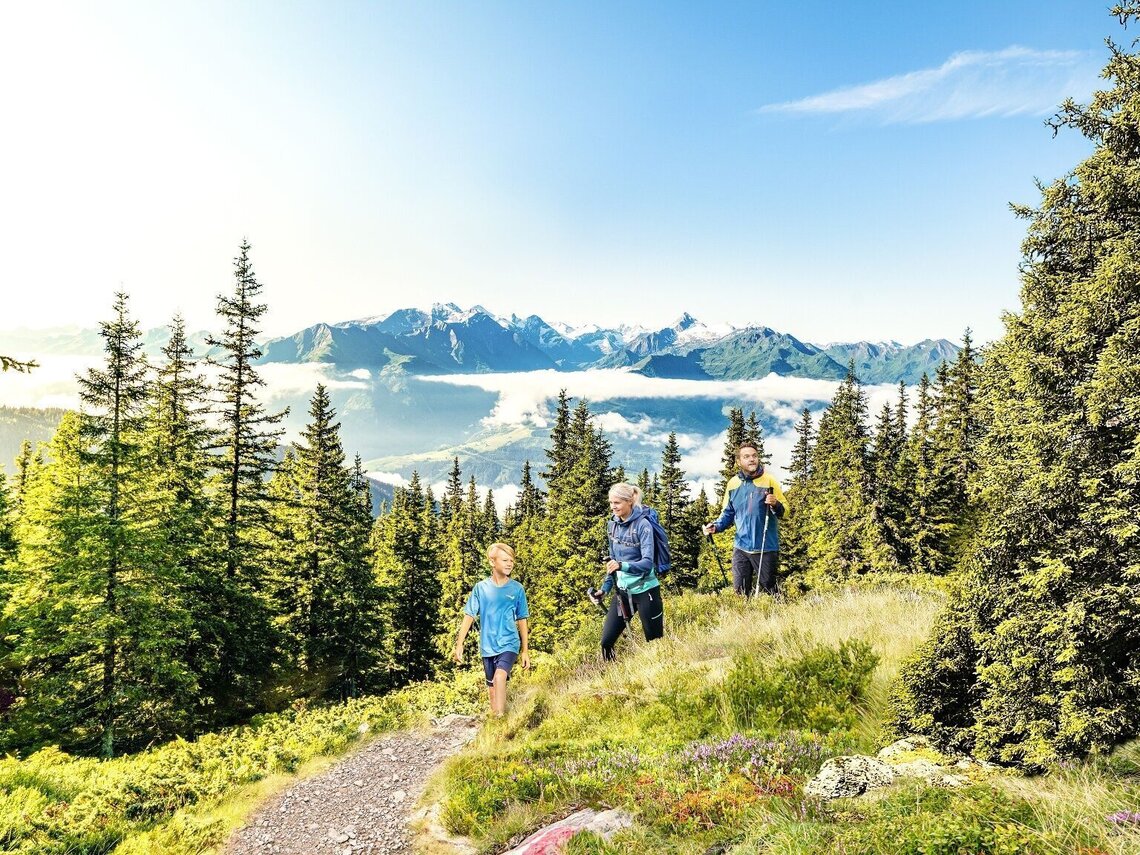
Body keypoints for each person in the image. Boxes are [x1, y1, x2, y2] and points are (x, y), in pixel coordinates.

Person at [453, 542, 530, 716]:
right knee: (492, 688)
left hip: (509, 643)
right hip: (487, 647)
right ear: (492, 562)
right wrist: (459, 644)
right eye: (505, 560)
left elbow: (522, 620)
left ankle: (502, 718)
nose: (509, 563)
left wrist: (525, 651)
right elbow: (469, 616)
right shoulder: (481, 588)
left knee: (499, 677)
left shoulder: (517, 589)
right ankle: (496, 723)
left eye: (511, 560)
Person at [704, 442, 788, 596]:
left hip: (765, 547)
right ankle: (744, 619)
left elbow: (786, 511)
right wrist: (716, 526)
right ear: (738, 461)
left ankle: (779, 618)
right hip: (741, 547)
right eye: (746, 456)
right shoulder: (733, 484)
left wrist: (776, 504)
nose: (752, 459)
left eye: (754, 456)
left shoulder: (769, 481)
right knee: (740, 592)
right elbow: (728, 513)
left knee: (771, 590)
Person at [600, 482, 665, 660]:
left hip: (646, 591)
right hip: (623, 593)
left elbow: (647, 563)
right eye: (611, 503)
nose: (613, 507)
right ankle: (613, 681)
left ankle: (660, 678)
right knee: (606, 642)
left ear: (629, 501)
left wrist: (622, 565)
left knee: (655, 643)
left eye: (617, 503)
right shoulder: (611, 525)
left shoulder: (643, 525)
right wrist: (604, 590)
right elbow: (611, 562)